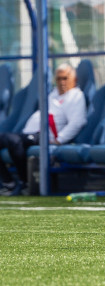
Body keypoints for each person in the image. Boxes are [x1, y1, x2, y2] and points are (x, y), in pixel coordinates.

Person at [0, 63, 87, 196]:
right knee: (9, 140)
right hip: (29, 133)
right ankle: (8, 183)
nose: (62, 82)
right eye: (58, 79)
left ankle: (25, 182)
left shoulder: (76, 96)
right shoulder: (54, 94)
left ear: (74, 79)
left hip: (45, 136)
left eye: (65, 78)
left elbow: (77, 122)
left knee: (12, 140)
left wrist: (59, 139)